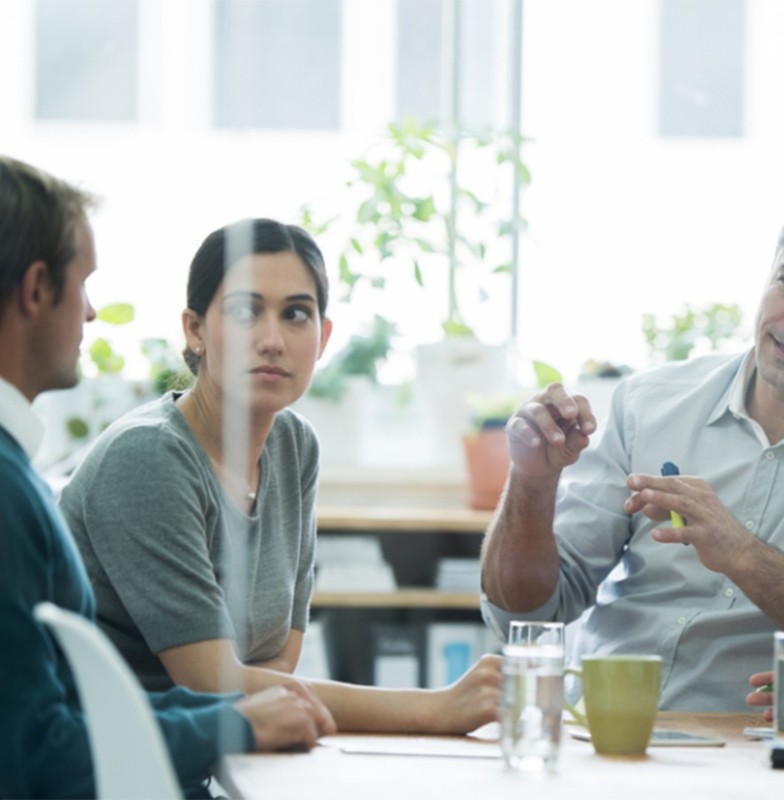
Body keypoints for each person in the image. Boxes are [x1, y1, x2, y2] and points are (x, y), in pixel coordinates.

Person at [481, 178, 784, 710]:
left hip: (765, 750)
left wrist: (745, 556)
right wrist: (532, 480)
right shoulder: (649, 404)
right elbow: (528, 615)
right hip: (606, 733)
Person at [59, 218, 500, 734]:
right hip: (114, 764)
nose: (272, 340)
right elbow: (214, 683)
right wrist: (434, 709)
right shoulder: (147, 456)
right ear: (195, 330)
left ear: (323, 337)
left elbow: (277, 661)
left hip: (209, 756)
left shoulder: (294, 445)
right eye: (246, 311)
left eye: (296, 314)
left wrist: (246, 687)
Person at [0, 155, 335, 799]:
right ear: (37, 289)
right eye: (84, 284)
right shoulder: (20, 490)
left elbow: (84, 715)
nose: (93, 313)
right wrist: (233, 717)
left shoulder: (295, 447)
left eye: (295, 315)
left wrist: (235, 712)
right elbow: (37, 750)